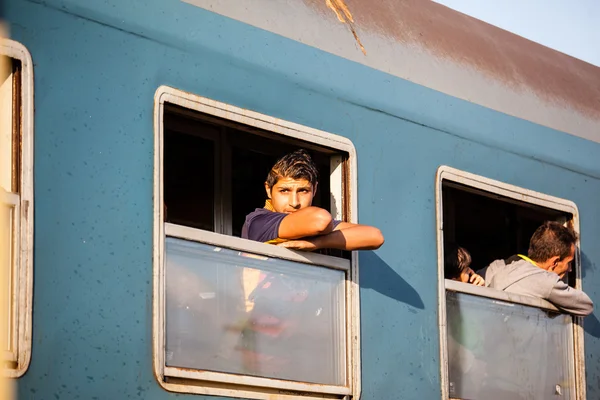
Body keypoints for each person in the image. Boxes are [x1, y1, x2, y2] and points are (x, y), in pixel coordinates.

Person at [241, 149, 384, 251]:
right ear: (268, 189)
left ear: (314, 190)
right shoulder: (259, 221)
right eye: (284, 191)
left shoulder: (317, 227)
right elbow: (320, 221)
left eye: (303, 191)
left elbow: (375, 236)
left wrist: (317, 243)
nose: (294, 202)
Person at [477, 221, 593, 316]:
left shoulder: (498, 266)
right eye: (569, 263)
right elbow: (586, 306)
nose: (570, 269)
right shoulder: (547, 282)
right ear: (555, 262)